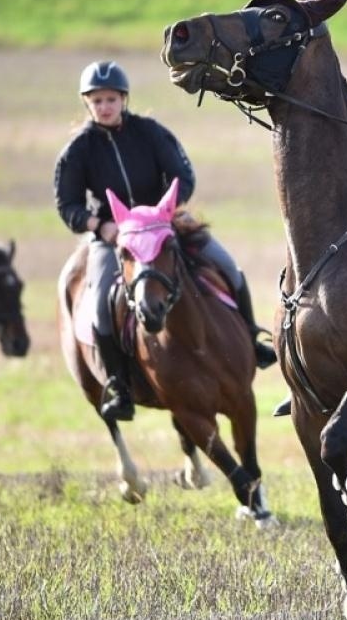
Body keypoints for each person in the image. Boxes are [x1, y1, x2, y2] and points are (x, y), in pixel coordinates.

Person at [54, 59, 276, 421]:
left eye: (111, 99)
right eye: (97, 101)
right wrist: (99, 226)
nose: (105, 107)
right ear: (87, 104)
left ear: (123, 99)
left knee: (228, 267)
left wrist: (166, 211)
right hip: (114, 236)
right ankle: (118, 386)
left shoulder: (151, 132)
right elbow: (68, 204)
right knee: (97, 306)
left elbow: (182, 176)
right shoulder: (78, 151)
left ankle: (252, 340)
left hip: (163, 225)